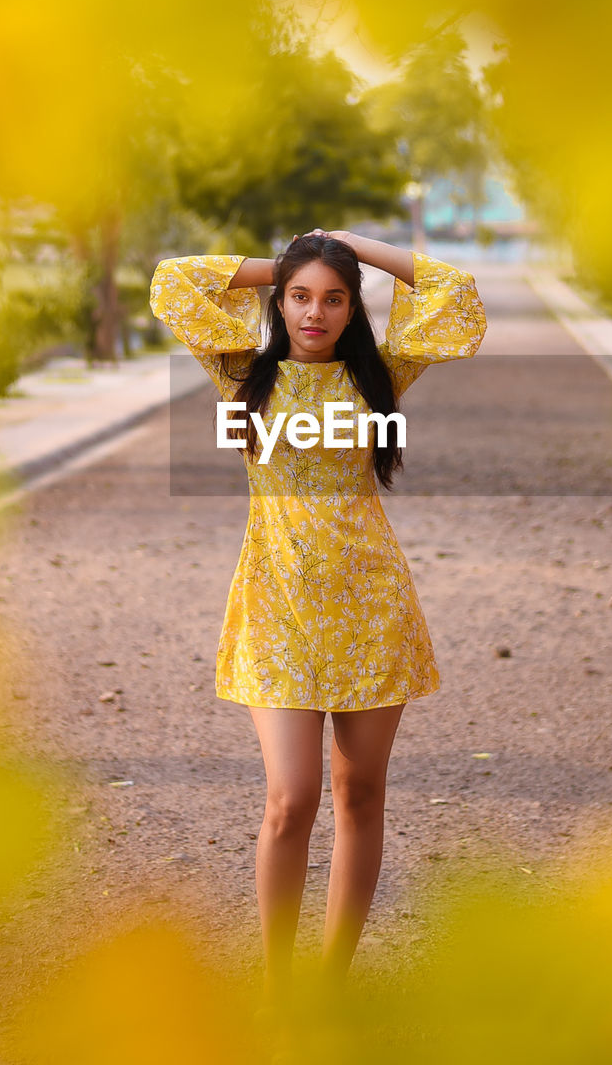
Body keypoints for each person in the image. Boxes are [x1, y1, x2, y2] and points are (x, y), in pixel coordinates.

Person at [149, 228, 486, 999]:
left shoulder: (380, 378)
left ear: (351, 308)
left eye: (332, 299)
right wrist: (299, 258)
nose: (314, 312)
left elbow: (457, 297)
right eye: (299, 296)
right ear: (278, 300)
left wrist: (352, 250)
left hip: (371, 606)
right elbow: (174, 281)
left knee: (359, 795)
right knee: (290, 799)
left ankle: (329, 987)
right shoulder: (240, 372)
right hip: (276, 606)